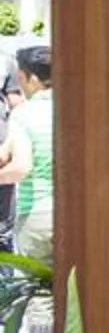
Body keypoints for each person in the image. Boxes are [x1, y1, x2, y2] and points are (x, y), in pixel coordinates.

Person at [0, 44, 55, 262]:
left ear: (30, 77)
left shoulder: (24, 114)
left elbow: (21, 167)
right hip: (77, 213)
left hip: (37, 215)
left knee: (38, 291)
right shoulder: (75, 107)